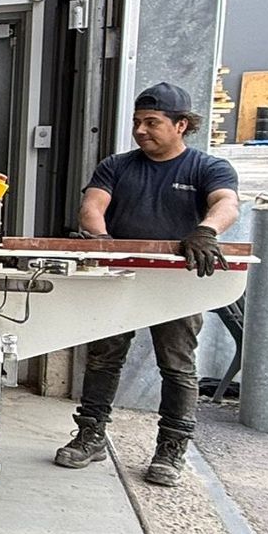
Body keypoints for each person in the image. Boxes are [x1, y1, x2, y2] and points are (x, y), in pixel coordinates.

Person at [53, 82, 240, 486]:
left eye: (151, 122)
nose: (140, 130)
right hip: (121, 276)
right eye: (137, 122)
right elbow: (93, 206)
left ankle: (171, 449)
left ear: (181, 125)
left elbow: (227, 202)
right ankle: (90, 436)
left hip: (176, 284)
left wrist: (206, 231)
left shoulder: (208, 168)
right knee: (103, 357)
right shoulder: (117, 166)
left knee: (177, 366)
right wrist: (100, 241)